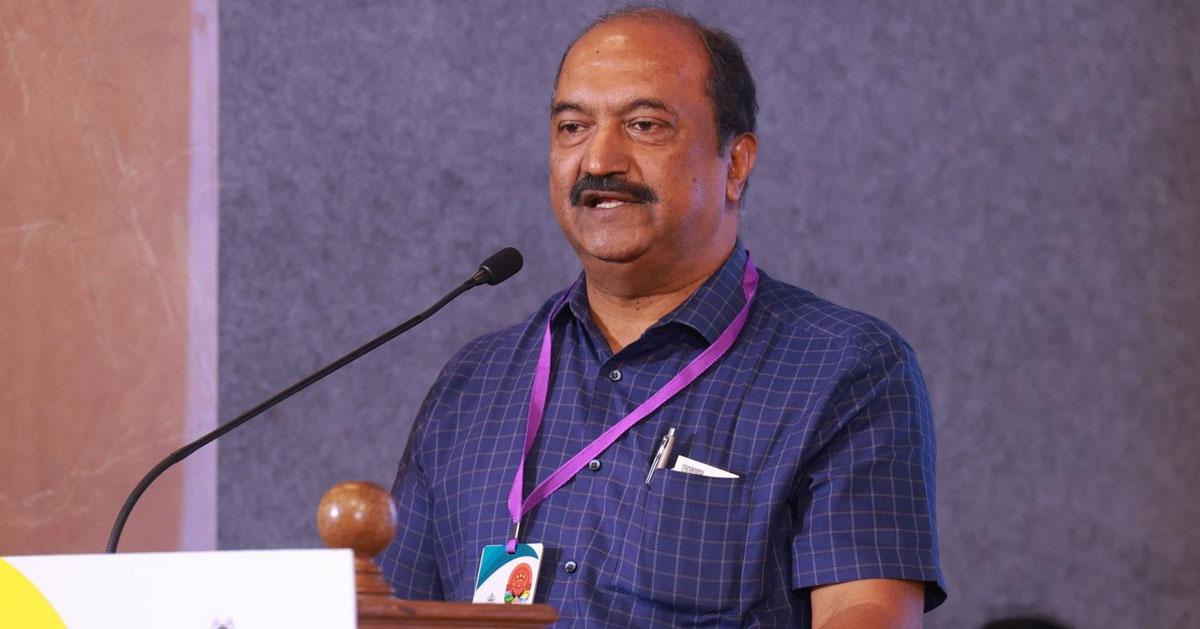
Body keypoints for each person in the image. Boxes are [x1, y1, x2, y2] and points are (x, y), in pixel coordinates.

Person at [378, 7, 946, 627]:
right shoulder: (474, 384)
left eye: (644, 125)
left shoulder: (843, 367)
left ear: (736, 164)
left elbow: (866, 611)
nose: (599, 160)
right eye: (572, 127)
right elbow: (397, 613)